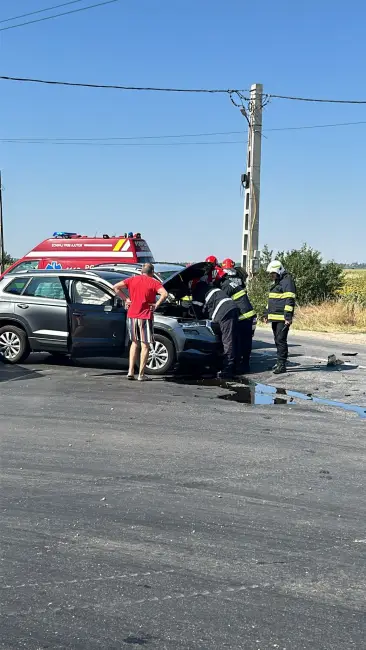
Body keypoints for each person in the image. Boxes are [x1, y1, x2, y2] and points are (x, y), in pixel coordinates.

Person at [114, 263, 168, 381]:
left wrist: (126, 299)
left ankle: (130, 371)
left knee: (134, 343)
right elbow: (165, 294)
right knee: (145, 345)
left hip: (132, 315)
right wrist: (156, 305)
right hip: (145, 316)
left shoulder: (132, 280)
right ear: (152, 272)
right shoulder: (154, 282)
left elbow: (116, 287)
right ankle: (141, 374)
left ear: (141, 271)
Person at [191, 279, 239, 379]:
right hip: (231, 308)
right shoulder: (209, 287)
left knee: (227, 340)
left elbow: (197, 312)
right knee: (229, 338)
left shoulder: (198, 290)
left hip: (225, 312)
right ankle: (229, 363)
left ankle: (228, 368)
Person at [220, 258, 256, 374]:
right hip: (246, 313)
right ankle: (243, 364)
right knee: (244, 341)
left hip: (242, 315)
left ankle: (242, 366)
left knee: (240, 341)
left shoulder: (226, 283)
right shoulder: (239, 277)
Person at [265, 260, 296, 374]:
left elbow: (290, 299)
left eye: (272, 273)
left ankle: (282, 364)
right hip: (275, 316)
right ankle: (279, 362)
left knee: (281, 340)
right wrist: (266, 313)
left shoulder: (287, 281)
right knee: (277, 340)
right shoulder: (278, 282)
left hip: (282, 317)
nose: (271, 276)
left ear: (278, 271)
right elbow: (272, 300)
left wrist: (288, 317)